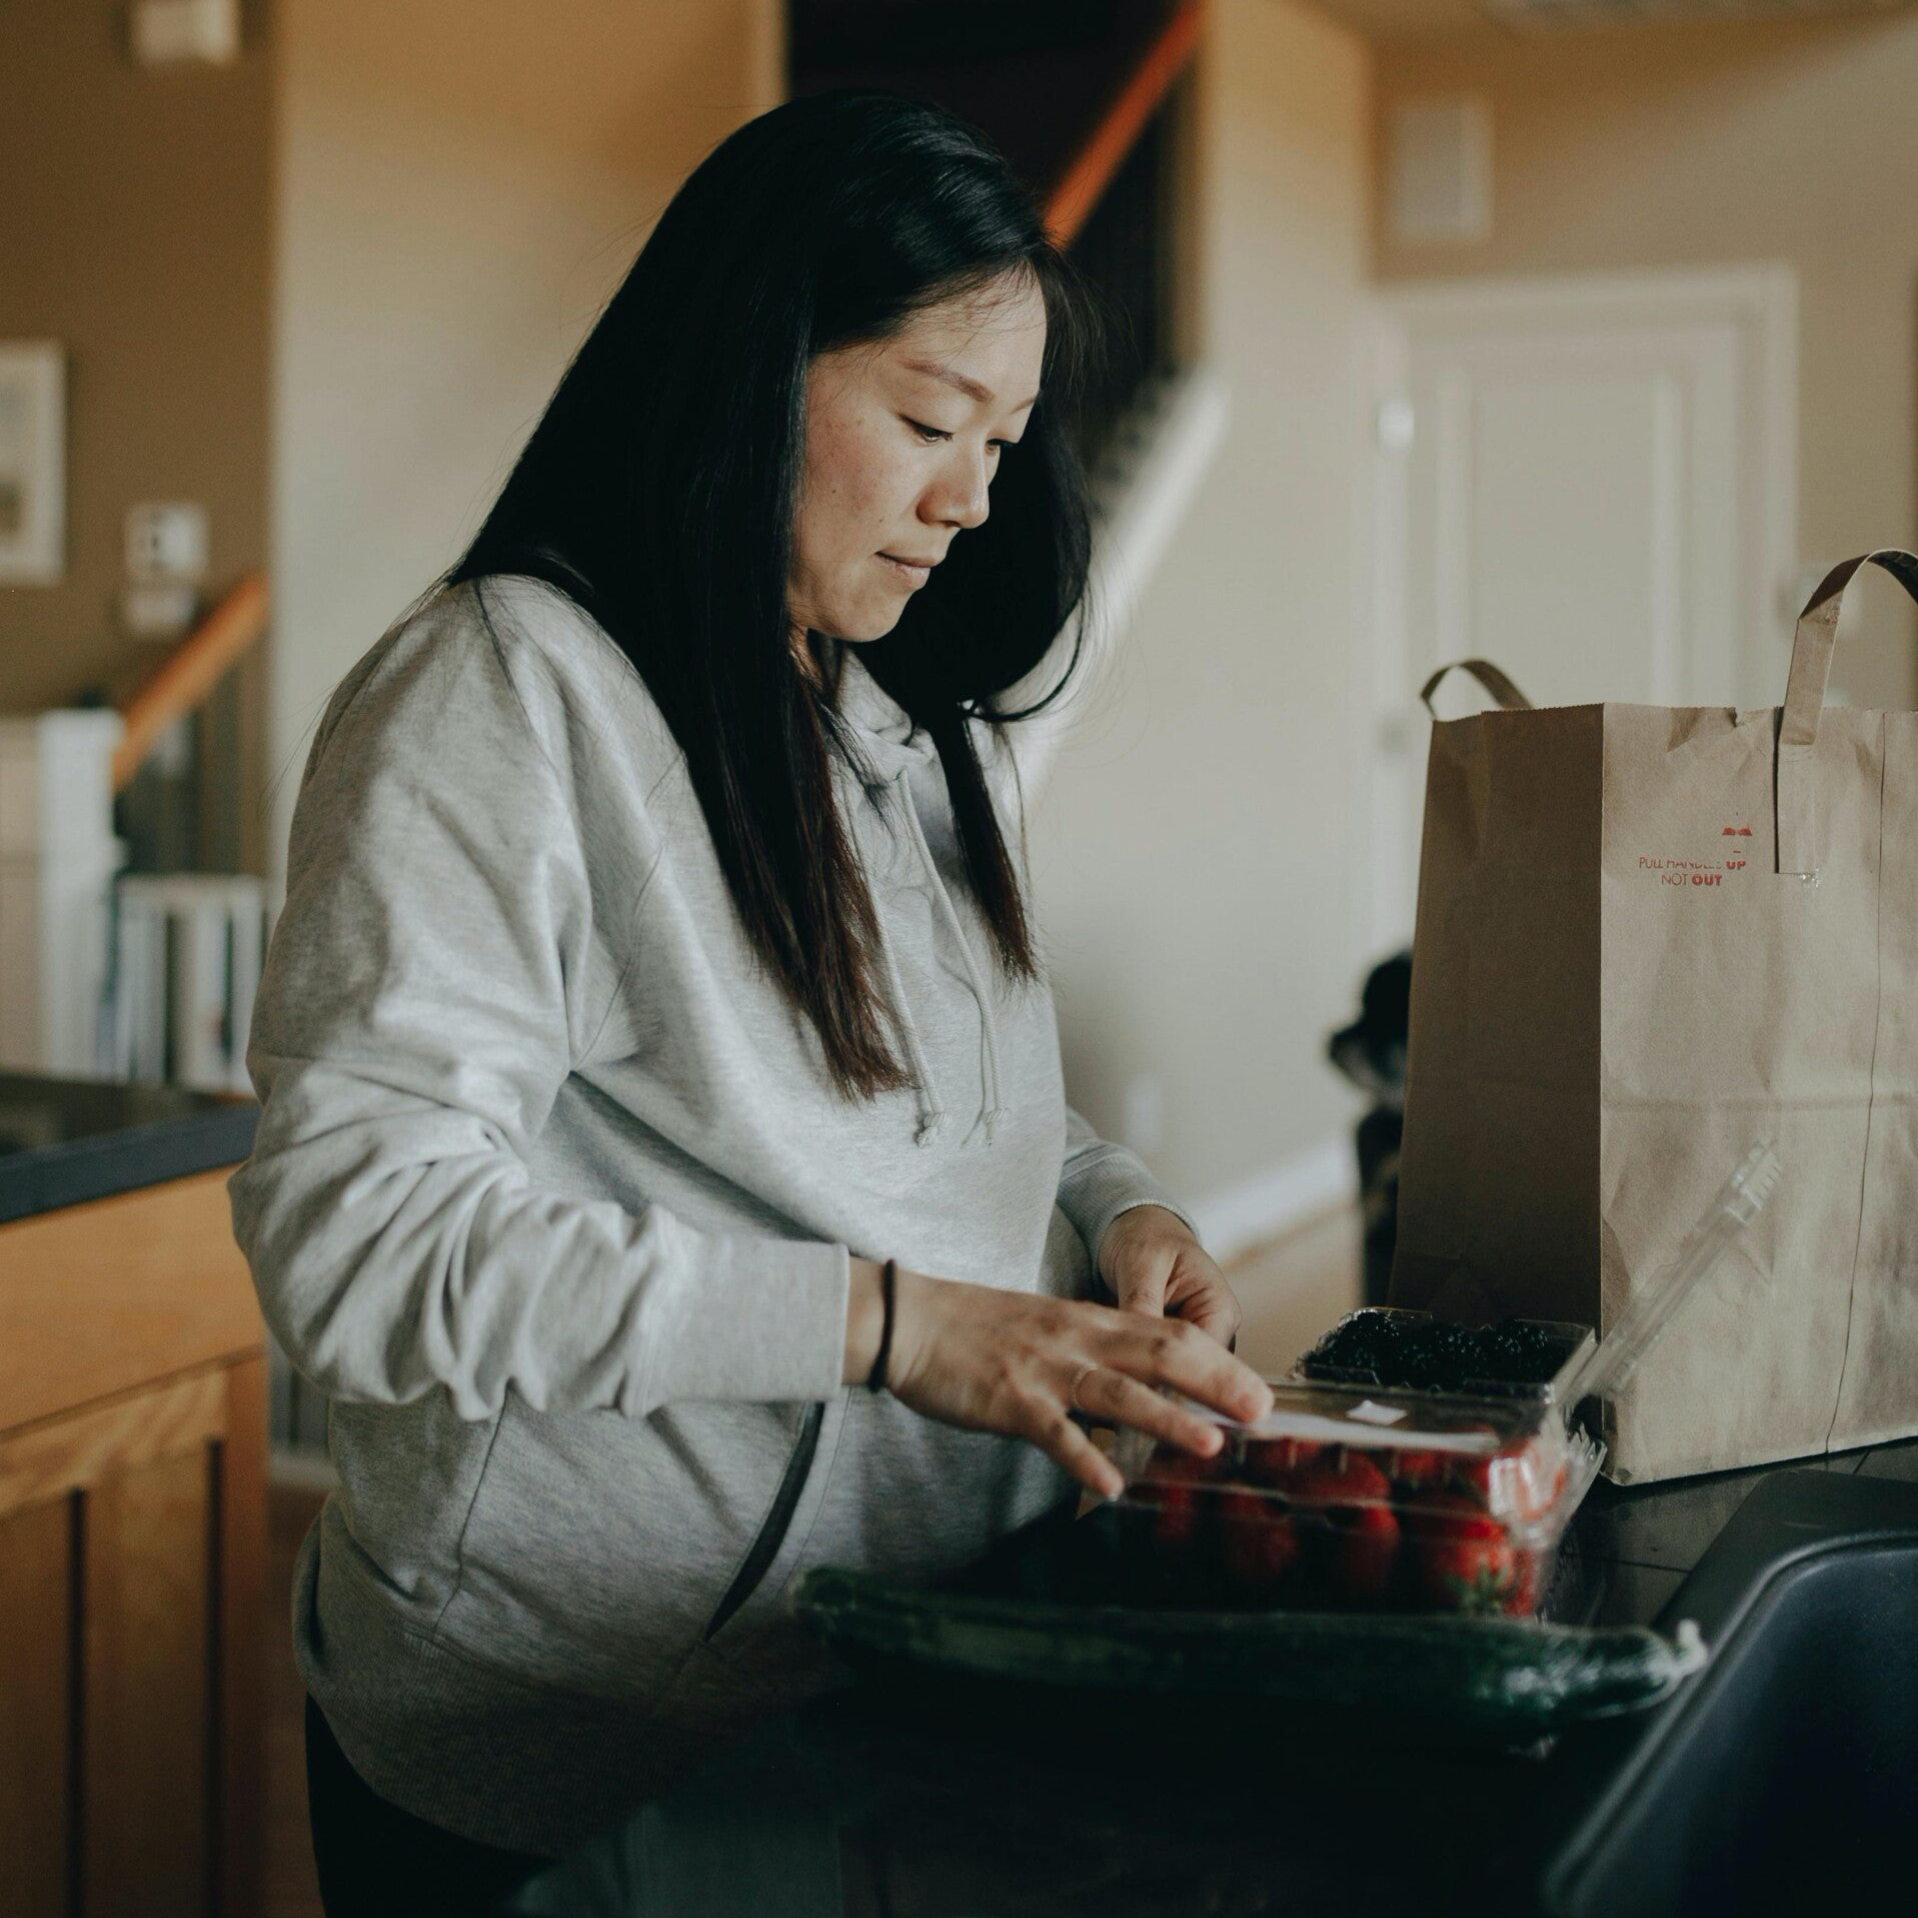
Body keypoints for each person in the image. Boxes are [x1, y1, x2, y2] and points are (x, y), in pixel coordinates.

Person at [232, 87, 1274, 1912]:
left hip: (890, 1667)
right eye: (931, 420)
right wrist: (886, 1324)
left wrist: (1113, 1202)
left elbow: (926, 1091)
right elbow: (357, 1240)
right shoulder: (496, 696)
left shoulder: (886, 707)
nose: (973, 497)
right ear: (746, 364)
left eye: (1008, 439)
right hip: (582, 1722)